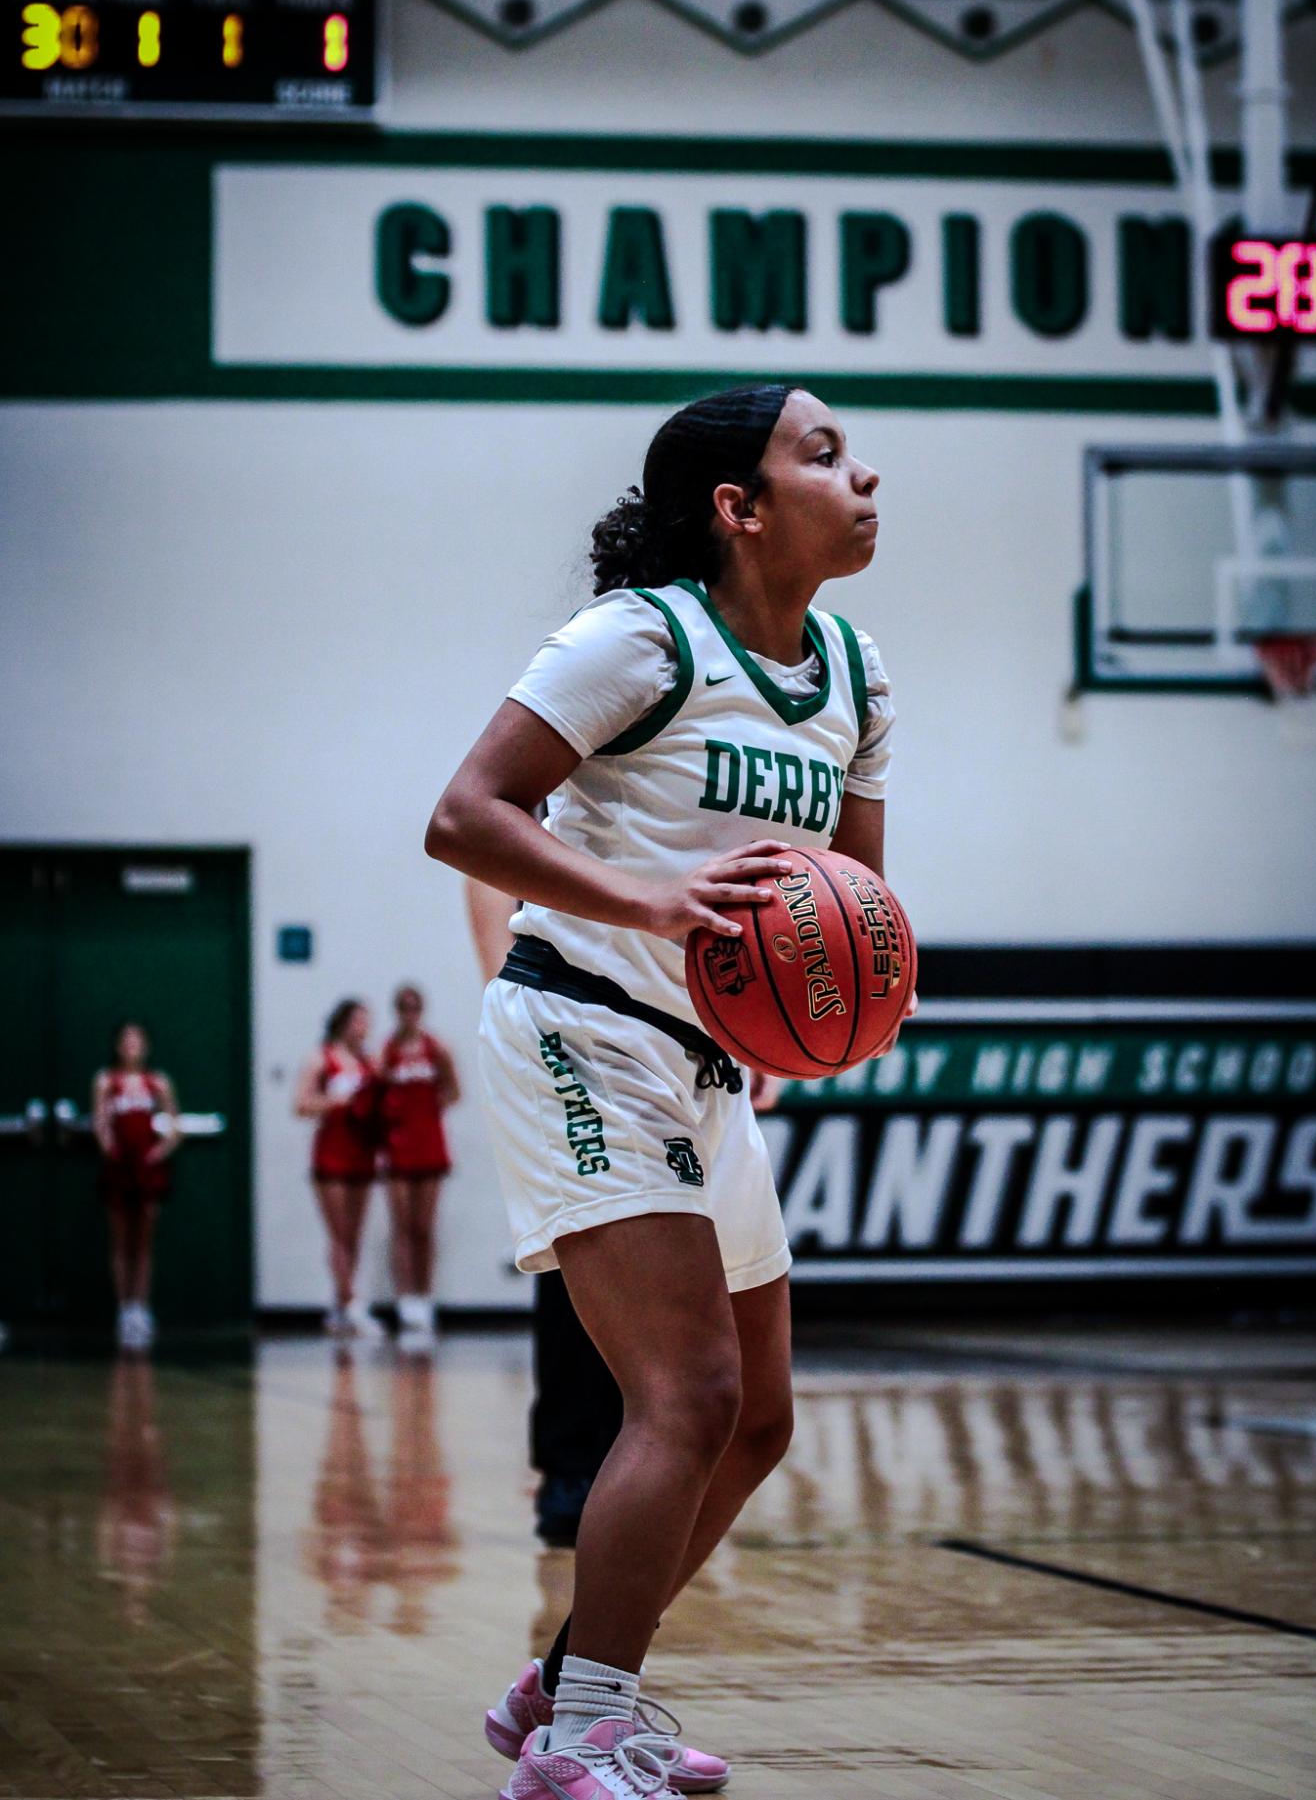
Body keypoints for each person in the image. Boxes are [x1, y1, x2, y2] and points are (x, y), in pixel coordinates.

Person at [426, 384, 902, 1799]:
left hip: (705, 1061)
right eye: (822, 453)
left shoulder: (860, 675)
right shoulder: (640, 636)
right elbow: (464, 815)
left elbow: (858, 895)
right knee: (683, 1395)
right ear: (735, 507)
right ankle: (580, 1743)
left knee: (758, 1415)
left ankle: (572, 1679)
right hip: (580, 1023)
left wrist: (860, 992)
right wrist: (651, 892)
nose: (863, 472)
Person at [468, 873, 625, 1546]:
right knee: (577, 1255)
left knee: (671, 1273)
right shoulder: (531, 800)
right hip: (565, 1045)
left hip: (667, 1047)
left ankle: (644, 1464)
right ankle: (570, 1468)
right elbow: (485, 899)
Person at [293, 1000, 382, 1338]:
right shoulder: (322, 1058)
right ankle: (351, 1303)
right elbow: (301, 1104)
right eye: (358, 1019)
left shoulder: (369, 1062)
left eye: (367, 1020)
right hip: (331, 1154)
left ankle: (340, 1302)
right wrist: (335, 1101)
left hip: (362, 1151)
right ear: (343, 1022)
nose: (363, 1026)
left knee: (354, 1235)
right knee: (338, 1234)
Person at [92, 1021, 182, 1350]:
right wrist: (109, 1148)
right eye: (126, 1040)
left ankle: (140, 1308)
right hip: (119, 1168)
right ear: (117, 1045)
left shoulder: (157, 1082)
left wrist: (159, 1151)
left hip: (147, 1170)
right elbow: (100, 1121)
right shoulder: (107, 1081)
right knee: (119, 1239)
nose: (132, 1045)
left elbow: (174, 1124)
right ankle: (123, 1307)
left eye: (137, 1040)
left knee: (143, 1241)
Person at [378, 983, 459, 1343]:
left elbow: (453, 1091)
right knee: (401, 1225)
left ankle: (425, 1297)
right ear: (396, 1010)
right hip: (397, 1147)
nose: (409, 1013)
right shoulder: (388, 1051)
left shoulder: (435, 1048)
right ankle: (405, 1299)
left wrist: (428, 1112)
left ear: (421, 1010)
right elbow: (375, 1093)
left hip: (429, 1145)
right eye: (403, 1007)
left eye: (414, 1007)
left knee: (424, 1227)